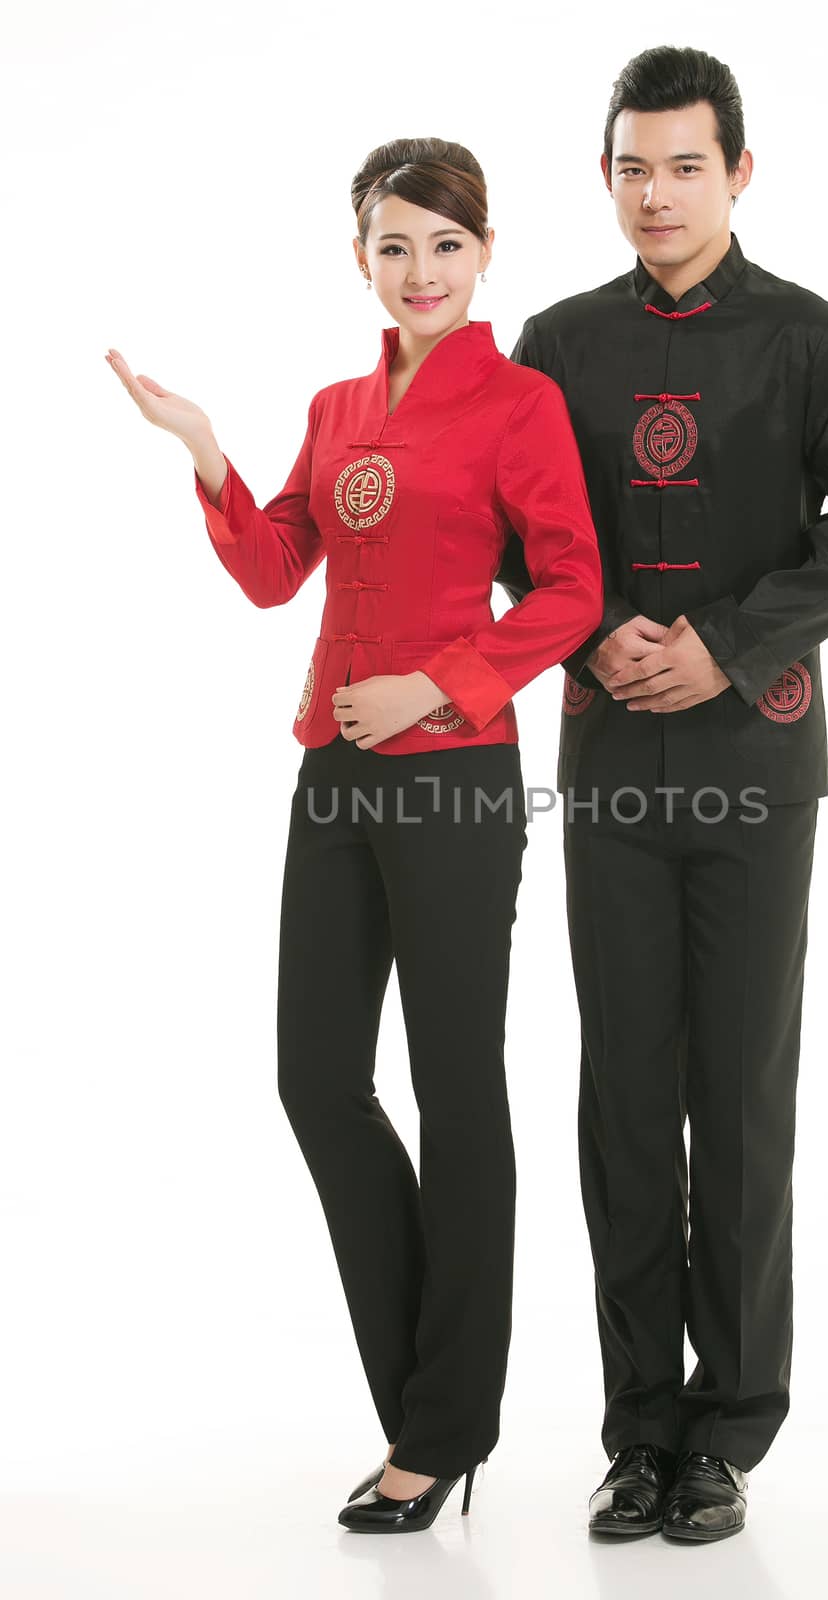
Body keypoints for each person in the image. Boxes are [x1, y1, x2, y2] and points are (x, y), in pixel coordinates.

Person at [105, 136, 603, 1535]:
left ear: (485, 255)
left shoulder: (521, 405)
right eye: (396, 246)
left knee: (455, 1091)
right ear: (362, 260)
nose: (422, 270)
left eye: (447, 245)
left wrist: (442, 682)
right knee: (316, 1077)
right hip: (333, 771)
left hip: (454, 780)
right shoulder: (331, 408)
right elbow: (274, 572)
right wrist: (205, 450)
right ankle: (426, 1406)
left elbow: (570, 588)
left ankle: (440, 1430)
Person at [496, 46, 828, 1543]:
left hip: (757, 765)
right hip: (610, 761)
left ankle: (728, 1430)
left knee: (738, 1099)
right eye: (632, 166)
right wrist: (596, 622)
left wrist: (733, 647)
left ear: (741, 171)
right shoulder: (552, 344)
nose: (657, 192)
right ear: (603, 177)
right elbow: (505, 518)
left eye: (685, 164)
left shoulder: (813, 338)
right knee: (624, 1098)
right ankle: (637, 1429)